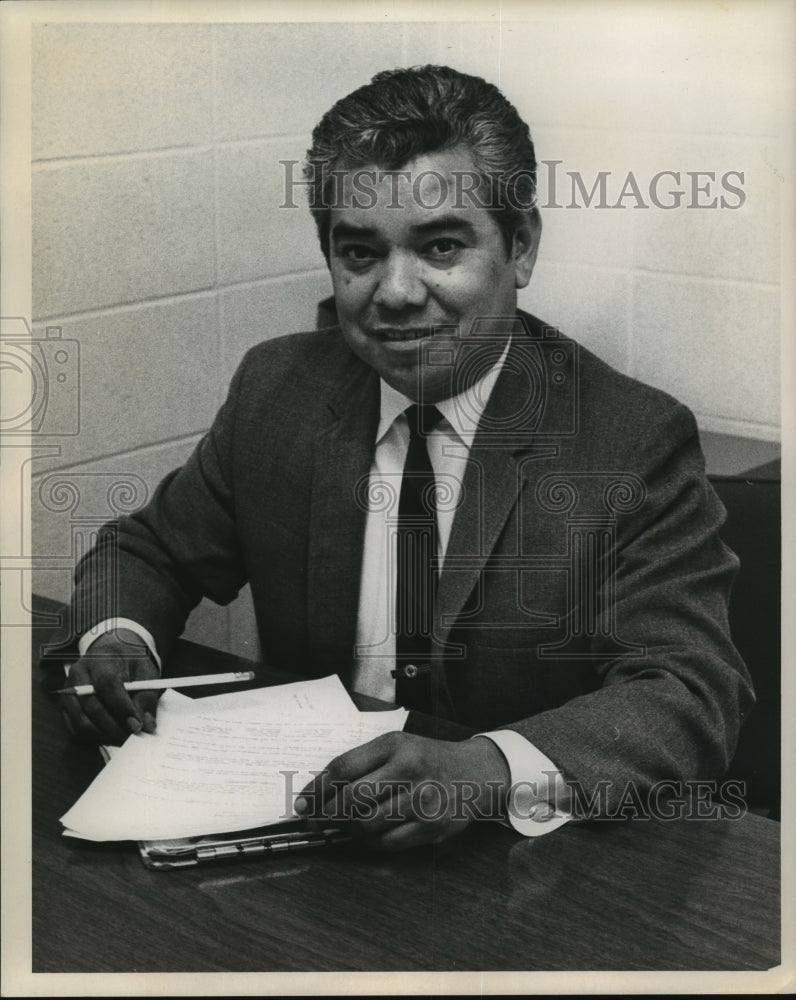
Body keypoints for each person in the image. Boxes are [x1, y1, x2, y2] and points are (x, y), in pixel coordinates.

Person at [60, 65, 753, 851]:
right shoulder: (279, 388)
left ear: (520, 248)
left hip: (524, 865)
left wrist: (488, 770)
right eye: (360, 253)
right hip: (308, 843)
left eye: (441, 246)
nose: (394, 292)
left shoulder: (631, 439)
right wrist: (116, 640)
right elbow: (149, 548)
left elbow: (689, 694)